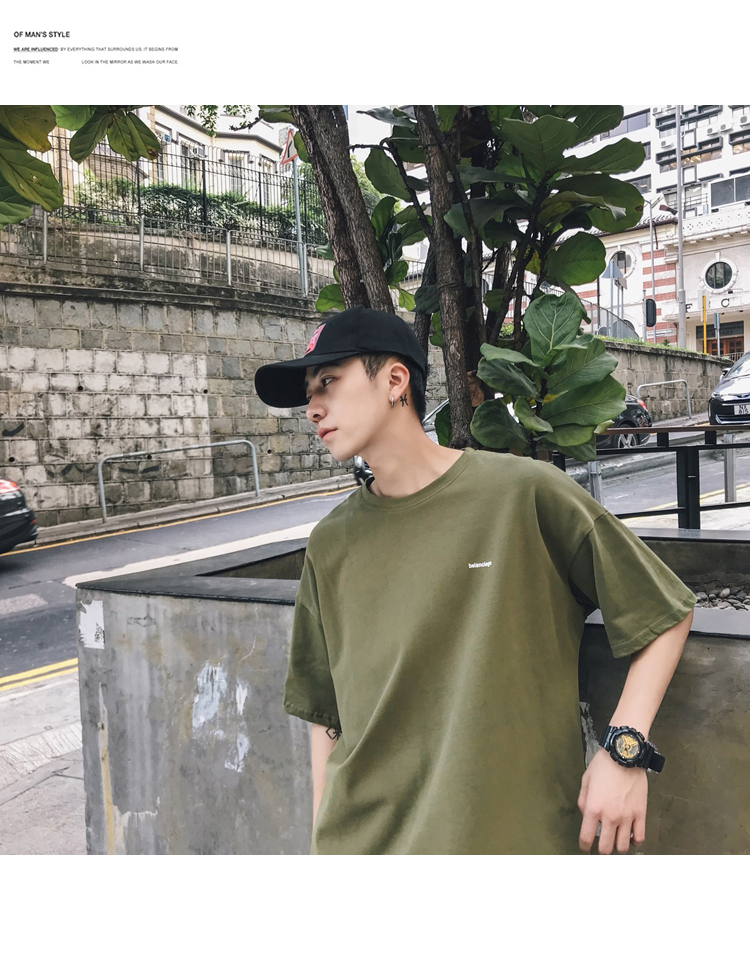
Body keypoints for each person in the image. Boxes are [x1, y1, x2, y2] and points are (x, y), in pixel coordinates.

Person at [254, 305, 695, 855]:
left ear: (394, 381)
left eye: (328, 382)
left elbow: (664, 612)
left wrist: (623, 751)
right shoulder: (331, 543)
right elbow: (327, 718)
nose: (313, 408)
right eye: (309, 393)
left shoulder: (523, 494)